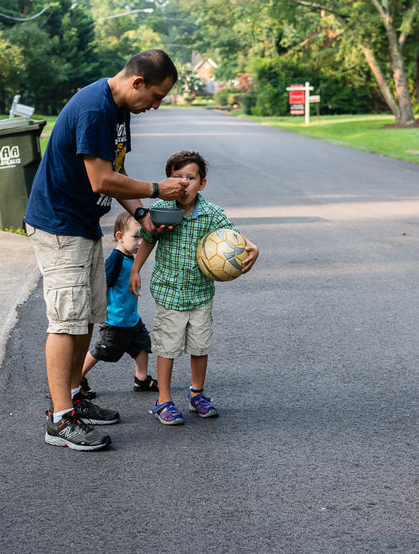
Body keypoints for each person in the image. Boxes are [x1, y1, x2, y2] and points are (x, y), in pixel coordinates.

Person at [24, 49, 185, 452]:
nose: (156, 105)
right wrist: (156, 189)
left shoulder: (118, 110)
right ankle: (60, 420)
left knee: (87, 317)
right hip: (59, 226)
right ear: (137, 82)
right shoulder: (95, 109)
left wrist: (144, 213)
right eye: (156, 96)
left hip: (81, 225)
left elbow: (118, 171)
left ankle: (75, 398)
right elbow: (100, 180)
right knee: (66, 320)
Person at [129, 150, 259, 425]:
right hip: (169, 291)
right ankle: (163, 400)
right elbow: (148, 238)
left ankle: (197, 394)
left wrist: (252, 246)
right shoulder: (163, 211)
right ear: (168, 181)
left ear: (202, 183)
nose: (184, 183)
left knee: (200, 346)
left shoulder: (211, 214)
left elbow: (234, 236)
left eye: (191, 177)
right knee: (168, 347)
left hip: (201, 293)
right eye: (177, 177)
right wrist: (135, 269)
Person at [79, 211, 158, 398]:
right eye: (136, 236)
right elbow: (102, 284)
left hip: (131, 318)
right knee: (103, 350)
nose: (140, 241)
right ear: (119, 237)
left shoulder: (131, 257)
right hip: (116, 320)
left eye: (143, 236)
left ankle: (141, 379)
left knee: (142, 345)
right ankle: (76, 378)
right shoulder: (116, 258)